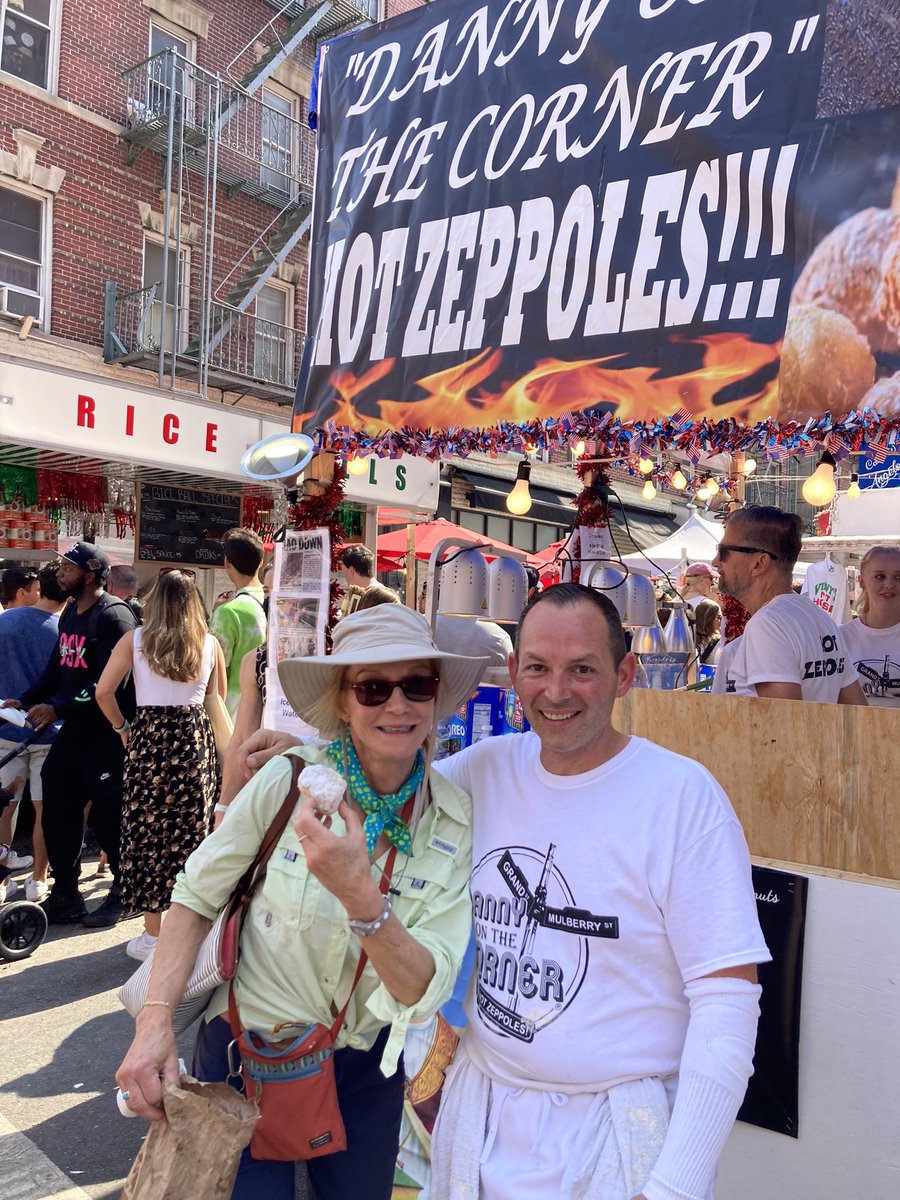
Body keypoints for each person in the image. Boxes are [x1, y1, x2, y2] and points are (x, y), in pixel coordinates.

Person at [243, 586, 769, 1200]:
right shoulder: (482, 772)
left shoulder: (682, 799)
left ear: (625, 675)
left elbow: (727, 1000)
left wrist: (676, 1185)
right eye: (538, 668)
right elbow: (384, 777)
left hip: (615, 1139)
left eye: (582, 670)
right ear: (514, 673)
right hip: (483, 1121)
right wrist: (312, 761)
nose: (556, 691)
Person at [115, 606, 487, 1200]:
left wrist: (361, 898)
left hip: (363, 1066)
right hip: (245, 1054)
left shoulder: (453, 817)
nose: (398, 705)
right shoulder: (289, 780)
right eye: (373, 688)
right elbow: (195, 896)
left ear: (436, 696)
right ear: (342, 701)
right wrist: (153, 1024)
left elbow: (421, 991)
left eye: (417, 684)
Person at [4, 542, 139, 925]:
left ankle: (126, 891)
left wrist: (58, 708)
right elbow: (56, 670)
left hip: (108, 733)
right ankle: (66, 891)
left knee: (110, 816)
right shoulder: (70, 615)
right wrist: (26, 699)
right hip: (75, 732)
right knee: (57, 800)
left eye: (68, 567)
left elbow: (109, 681)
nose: (60, 573)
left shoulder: (114, 616)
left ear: (90, 574)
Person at [96, 570, 226, 961]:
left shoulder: (135, 639)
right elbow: (216, 701)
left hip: (150, 740)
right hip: (193, 739)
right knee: (195, 833)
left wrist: (122, 727)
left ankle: (153, 936)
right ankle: (195, 933)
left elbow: (103, 692)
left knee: (148, 833)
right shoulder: (209, 643)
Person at [710, 506, 867, 704]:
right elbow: (858, 709)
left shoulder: (767, 624)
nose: (715, 561)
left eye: (723, 552)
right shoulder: (819, 618)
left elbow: (785, 720)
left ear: (759, 563)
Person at [0, 563, 67, 895]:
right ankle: (39, 879)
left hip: (7, 726)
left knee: (4, 804)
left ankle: (1, 879)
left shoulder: (4, 622)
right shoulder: (64, 630)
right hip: (50, 729)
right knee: (46, 808)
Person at [209, 528, 266, 717]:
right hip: (271, 712)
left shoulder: (227, 612)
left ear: (227, 562)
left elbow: (214, 673)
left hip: (235, 715)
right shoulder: (278, 602)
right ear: (261, 561)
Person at [840, 545, 900, 707]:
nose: (889, 584)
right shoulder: (840, 638)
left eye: (898, 577)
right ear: (861, 581)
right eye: (879, 577)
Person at [339, 544, 376, 616]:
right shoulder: (359, 593)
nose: (342, 572)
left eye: (341, 567)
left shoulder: (380, 596)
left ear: (351, 570)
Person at [693, 598, 723, 665]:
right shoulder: (719, 643)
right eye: (718, 617)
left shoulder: (687, 639)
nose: (721, 621)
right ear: (708, 619)